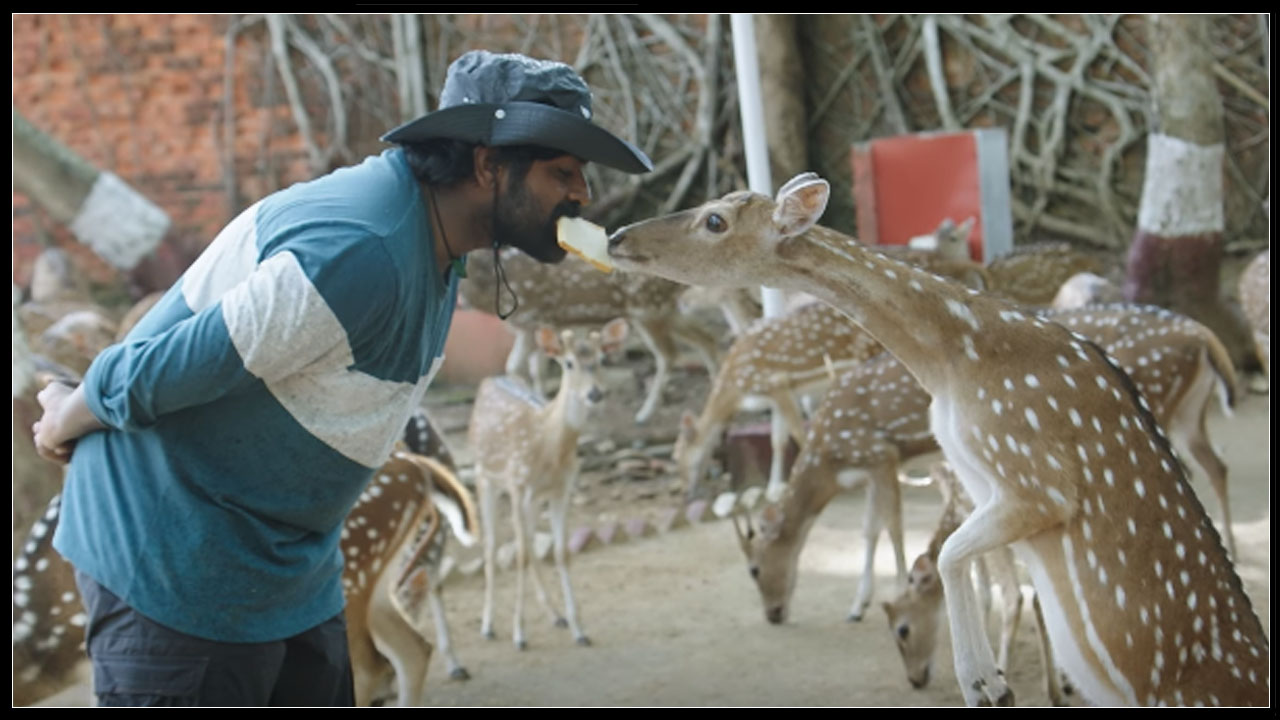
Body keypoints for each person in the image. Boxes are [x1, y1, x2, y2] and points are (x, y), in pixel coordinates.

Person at [30, 49, 652, 707]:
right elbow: (187, 357)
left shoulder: (434, 241)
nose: (583, 194)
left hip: (286, 568)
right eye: (564, 173)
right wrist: (74, 407)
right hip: (176, 563)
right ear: (487, 164)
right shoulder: (364, 248)